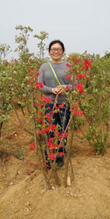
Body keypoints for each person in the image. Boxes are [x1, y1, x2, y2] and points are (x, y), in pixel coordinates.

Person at [38, 40, 73, 168]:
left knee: (63, 130)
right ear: (49, 51)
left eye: (58, 49)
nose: (56, 51)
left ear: (63, 51)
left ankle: (60, 156)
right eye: (53, 49)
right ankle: (49, 156)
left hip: (64, 103)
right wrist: (51, 90)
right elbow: (39, 85)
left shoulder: (69, 66)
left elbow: (75, 85)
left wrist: (66, 87)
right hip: (49, 104)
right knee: (50, 130)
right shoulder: (44, 67)